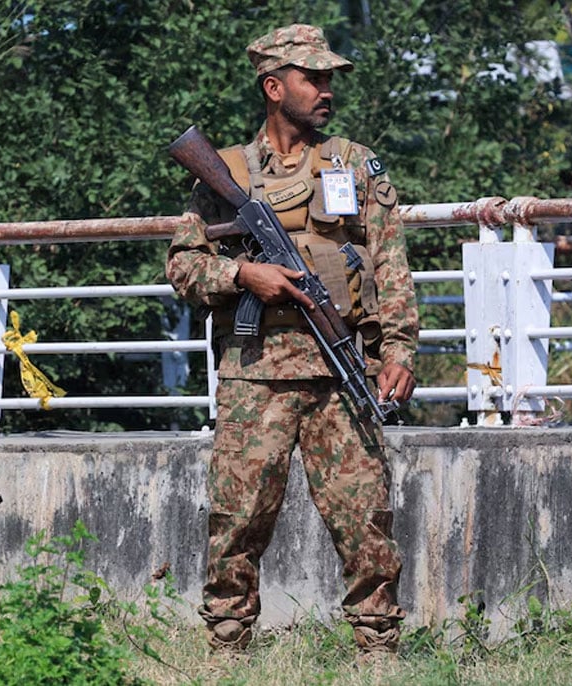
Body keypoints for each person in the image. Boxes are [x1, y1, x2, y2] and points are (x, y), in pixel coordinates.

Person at [166, 24, 418, 663]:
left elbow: (389, 263)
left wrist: (399, 352)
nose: (327, 90)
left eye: (330, 78)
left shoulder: (355, 163)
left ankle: (377, 649)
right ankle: (226, 648)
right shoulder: (226, 171)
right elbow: (184, 268)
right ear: (274, 87)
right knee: (238, 518)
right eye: (314, 78)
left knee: (364, 516)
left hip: (344, 371)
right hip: (257, 375)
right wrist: (244, 274)